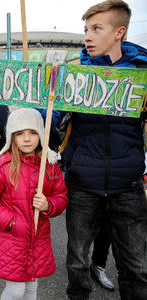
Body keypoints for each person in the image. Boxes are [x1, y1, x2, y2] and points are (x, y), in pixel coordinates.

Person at [62, 1, 147, 299]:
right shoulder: (73, 74)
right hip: (83, 184)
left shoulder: (143, 76)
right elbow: (50, 119)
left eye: (97, 29)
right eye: (86, 29)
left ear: (119, 32)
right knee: (77, 261)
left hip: (129, 186)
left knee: (137, 267)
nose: (88, 36)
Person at [0, 108, 69, 300]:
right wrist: (10, 221)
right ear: (12, 137)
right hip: (12, 239)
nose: (27, 139)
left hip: (38, 239)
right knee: (16, 290)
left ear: (40, 134)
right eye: (20, 133)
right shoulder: (3, 165)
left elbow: (61, 196)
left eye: (33, 132)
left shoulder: (49, 165)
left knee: (31, 289)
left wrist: (48, 205)